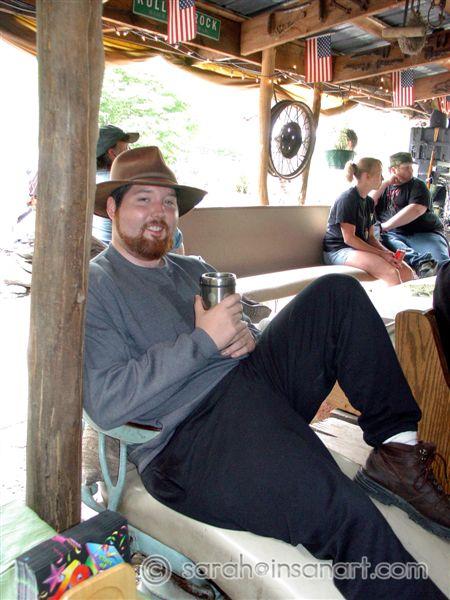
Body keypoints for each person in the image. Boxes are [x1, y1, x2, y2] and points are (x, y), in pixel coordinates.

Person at [84, 147, 449, 598]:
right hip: (189, 439)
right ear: (113, 207)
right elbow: (106, 403)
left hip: (251, 386)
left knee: (337, 293)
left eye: (169, 202)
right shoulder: (98, 285)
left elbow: (244, 330)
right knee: (341, 507)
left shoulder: (193, 268)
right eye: (144, 199)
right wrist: (203, 342)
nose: (159, 212)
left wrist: (248, 337)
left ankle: (398, 453)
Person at [93, 124, 184, 254]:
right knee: (175, 235)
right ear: (113, 154)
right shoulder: (122, 184)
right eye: (126, 149)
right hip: (128, 248)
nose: (130, 150)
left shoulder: (89, 183)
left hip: (101, 247)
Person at [323, 158, 415, 286]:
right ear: (367, 176)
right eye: (379, 174)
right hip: (339, 250)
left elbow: (371, 237)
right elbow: (349, 239)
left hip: (357, 249)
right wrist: (381, 254)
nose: (383, 178)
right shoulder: (347, 199)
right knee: (391, 273)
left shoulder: (369, 202)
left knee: (406, 272)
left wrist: (388, 254)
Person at [372, 152, 449, 278]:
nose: (411, 170)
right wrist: (385, 184)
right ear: (393, 170)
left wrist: (385, 226)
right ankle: (421, 263)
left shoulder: (418, 185)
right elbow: (369, 203)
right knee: (386, 241)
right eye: (406, 167)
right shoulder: (383, 187)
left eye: (411, 167)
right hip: (393, 235)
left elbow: (416, 209)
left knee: (442, 264)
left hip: (424, 233)